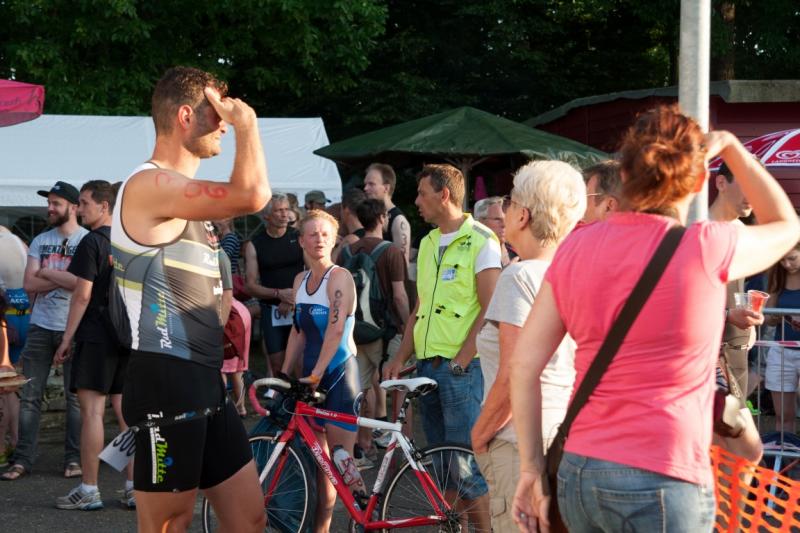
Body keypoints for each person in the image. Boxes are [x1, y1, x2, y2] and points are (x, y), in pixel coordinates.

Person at [509, 105, 800, 533]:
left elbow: (523, 365)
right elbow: (787, 225)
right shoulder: (705, 246)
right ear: (699, 183)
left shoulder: (574, 247)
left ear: (624, 175)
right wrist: (732, 149)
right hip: (665, 474)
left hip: (580, 471)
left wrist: (531, 469)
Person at [111, 66, 268, 532]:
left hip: (204, 379)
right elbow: (252, 194)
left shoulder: (184, 201)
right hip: (164, 378)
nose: (225, 123)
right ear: (185, 116)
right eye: (215, 113)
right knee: (169, 525)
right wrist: (248, 124)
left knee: (249, 520)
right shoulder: (149, 185)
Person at [471, 161, 585, 533]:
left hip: (520, 443)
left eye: (509, 202)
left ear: (523, 215)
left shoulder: (520, 275)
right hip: (568, 437)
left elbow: (514, 373)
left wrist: (479, 434)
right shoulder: (576, 271)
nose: (504, 211)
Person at [384, 163, 499, 532]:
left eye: (422, 193)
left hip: (460, 370)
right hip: (428, 367)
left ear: (444, 194)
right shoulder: (430, 242)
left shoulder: (482, 239)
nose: (416, 201)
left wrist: (462, 360)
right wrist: (401, 356)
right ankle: (453, 528)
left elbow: (491, 308)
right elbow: (420, 307)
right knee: (443, 466)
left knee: (465, 466)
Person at [51, 180, 134, 510]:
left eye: (84, 203)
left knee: (93, 413)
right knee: (127, 414)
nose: (79, 208)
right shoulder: (130, 242)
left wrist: (66, 338)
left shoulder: (92, 242)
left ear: (104, 206)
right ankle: (133, 487)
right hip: (127, 336)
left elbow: (82, 295)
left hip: (97, 335)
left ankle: (89, 488)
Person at [281, 209, 361, 532]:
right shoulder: (299, 281)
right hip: (311, 379)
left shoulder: (339, 277)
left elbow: (335, 330)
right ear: (301, 240)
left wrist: (316, 373)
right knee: (322, 469)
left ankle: (366, 519)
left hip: (339, 376)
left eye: (326, 234)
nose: (319, 240)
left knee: (343, 463)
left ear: (334, 240)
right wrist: (283, 374)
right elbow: (298, 332)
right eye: (312, 234)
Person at [3, 181, 87, 482]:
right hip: (40, 325)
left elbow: (83, 285)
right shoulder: (40, 240)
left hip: (75, 326)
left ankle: (73, 459)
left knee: (75, 398)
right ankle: (23, 459)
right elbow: (29, 284)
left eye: (56, 203)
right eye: (49, 203)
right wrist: (67, 278)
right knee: (30, 396)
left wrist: (47, 273)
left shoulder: (87, 241)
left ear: (73, 207)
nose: (49, 208)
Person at [338, 198, 409, 468]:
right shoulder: (391, 251)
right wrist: (408, 326)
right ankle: (402, 450)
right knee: (399, 387)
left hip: (356, 331)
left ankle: (362, 447)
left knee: (361, 390)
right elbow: (399, 296)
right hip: (386, 330)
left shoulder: (346, 252)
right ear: (381, 218)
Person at [709, 162, 764, 460]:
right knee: (745, 449)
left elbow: (736, 288)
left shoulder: (742, 232)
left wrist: (748, 319)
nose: (753, 197)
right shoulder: (699, 230)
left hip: (737, 350)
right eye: (747, 187)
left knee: (730, 449)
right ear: (721, 183)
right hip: (710, 357)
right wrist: (727, 316)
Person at [244, 193, 305, 375]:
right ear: (267, 216)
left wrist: (291, 297)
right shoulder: (255, 244)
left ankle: (301, 395)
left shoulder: (299, 237)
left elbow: (312, 272)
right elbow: (250, 286)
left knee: (301, 364)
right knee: (278, 366)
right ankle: (282, 394)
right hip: (272, 310)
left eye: (287, 209)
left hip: (299, 307)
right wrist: (279, 294)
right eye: (279, 210)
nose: (285, 214)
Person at [765, 242, 800, 433]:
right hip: (782, 351)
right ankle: (785, 451)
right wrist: (776, 316)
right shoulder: (778, 276)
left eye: (792, 258)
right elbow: (769, 318)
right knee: (783, 416)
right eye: (782, 260)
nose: (787, 264)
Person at [0, 225, 28, 466]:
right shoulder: (17, 240)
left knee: (3, 388)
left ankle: (1, 448)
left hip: (5, 318)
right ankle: (16, 442)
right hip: (25, 314)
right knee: (10, 386)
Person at [363, 163, 411, 262]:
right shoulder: (370, 215)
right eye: (365, 184)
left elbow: (402, 265)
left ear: (386, 188)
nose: (365, 188)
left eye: (371, 184)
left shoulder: (398, 221)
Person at [474, 196, 514, 266]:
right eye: (497, 219)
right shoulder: (473, 254)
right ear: (481, 222)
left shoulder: (518, 253)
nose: (504, 225)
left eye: (507, 219)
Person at [331, 187, 366, 263]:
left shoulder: (350, 240)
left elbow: (329, 266)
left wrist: (331, 243)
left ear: (346, 210)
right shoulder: (372, 232)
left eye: (340, 209)